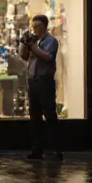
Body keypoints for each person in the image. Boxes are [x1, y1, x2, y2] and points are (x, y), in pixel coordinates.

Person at [20, 14, 62, 160]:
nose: (35, 30)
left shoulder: (51, 41)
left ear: (44, 26)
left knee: (50, 115)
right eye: (33, 27)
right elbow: (24, 57)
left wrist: (33, 47)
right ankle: (37, 149)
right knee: (35, 116)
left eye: (37, 27)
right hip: (33, 80)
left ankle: (56, 149)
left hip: (45, 81)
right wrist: (25, 45)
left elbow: (47, 57)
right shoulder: (34, 41)